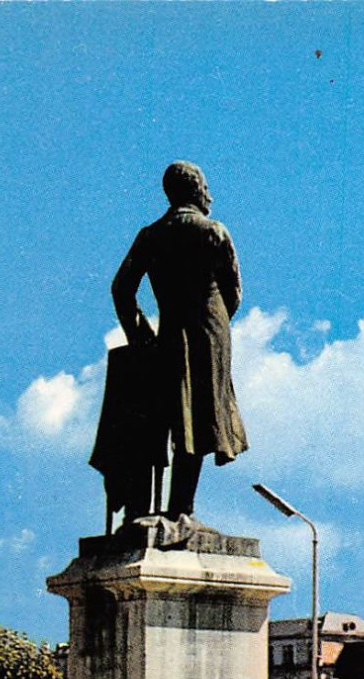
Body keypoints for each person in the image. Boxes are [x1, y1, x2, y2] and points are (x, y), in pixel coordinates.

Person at [110, 161, 248, 521]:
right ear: (196, 190)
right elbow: (233, 292)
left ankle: (169, 510)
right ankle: (182, 509)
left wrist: (141, 333)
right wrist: (214, 326)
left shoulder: (150, 235)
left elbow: (121, 289)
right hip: (209, 334)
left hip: (169, 335)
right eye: (206, 187)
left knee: (170, 418)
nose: (210, 195)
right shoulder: (213, 231)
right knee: (200, 419)